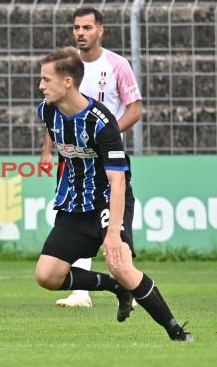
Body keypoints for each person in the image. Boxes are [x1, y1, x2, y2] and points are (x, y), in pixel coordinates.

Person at [34, 46, 192, 341]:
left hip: (108, 199)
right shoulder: (46, 110)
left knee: (121, 265)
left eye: (46, 79)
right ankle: (114, 287)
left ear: (68, 81)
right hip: (75, 203)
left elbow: (117, 181)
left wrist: (113, 234)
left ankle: (177, 332)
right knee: (46, 276)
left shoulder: (102, 122)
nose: (41, 86)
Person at [40, 7, 142, 308]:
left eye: (87, 27)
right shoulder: (65, 66)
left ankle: (128, 280)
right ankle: (82, 291)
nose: (80, 33)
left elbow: (134, 109)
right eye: (76, 27)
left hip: (105, 157)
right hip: (73, 157)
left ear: (101, 30)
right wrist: (47, 150)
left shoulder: (116, 65)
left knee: (106, 219)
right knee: (77, 214)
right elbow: (57, 113)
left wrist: (102, 136)